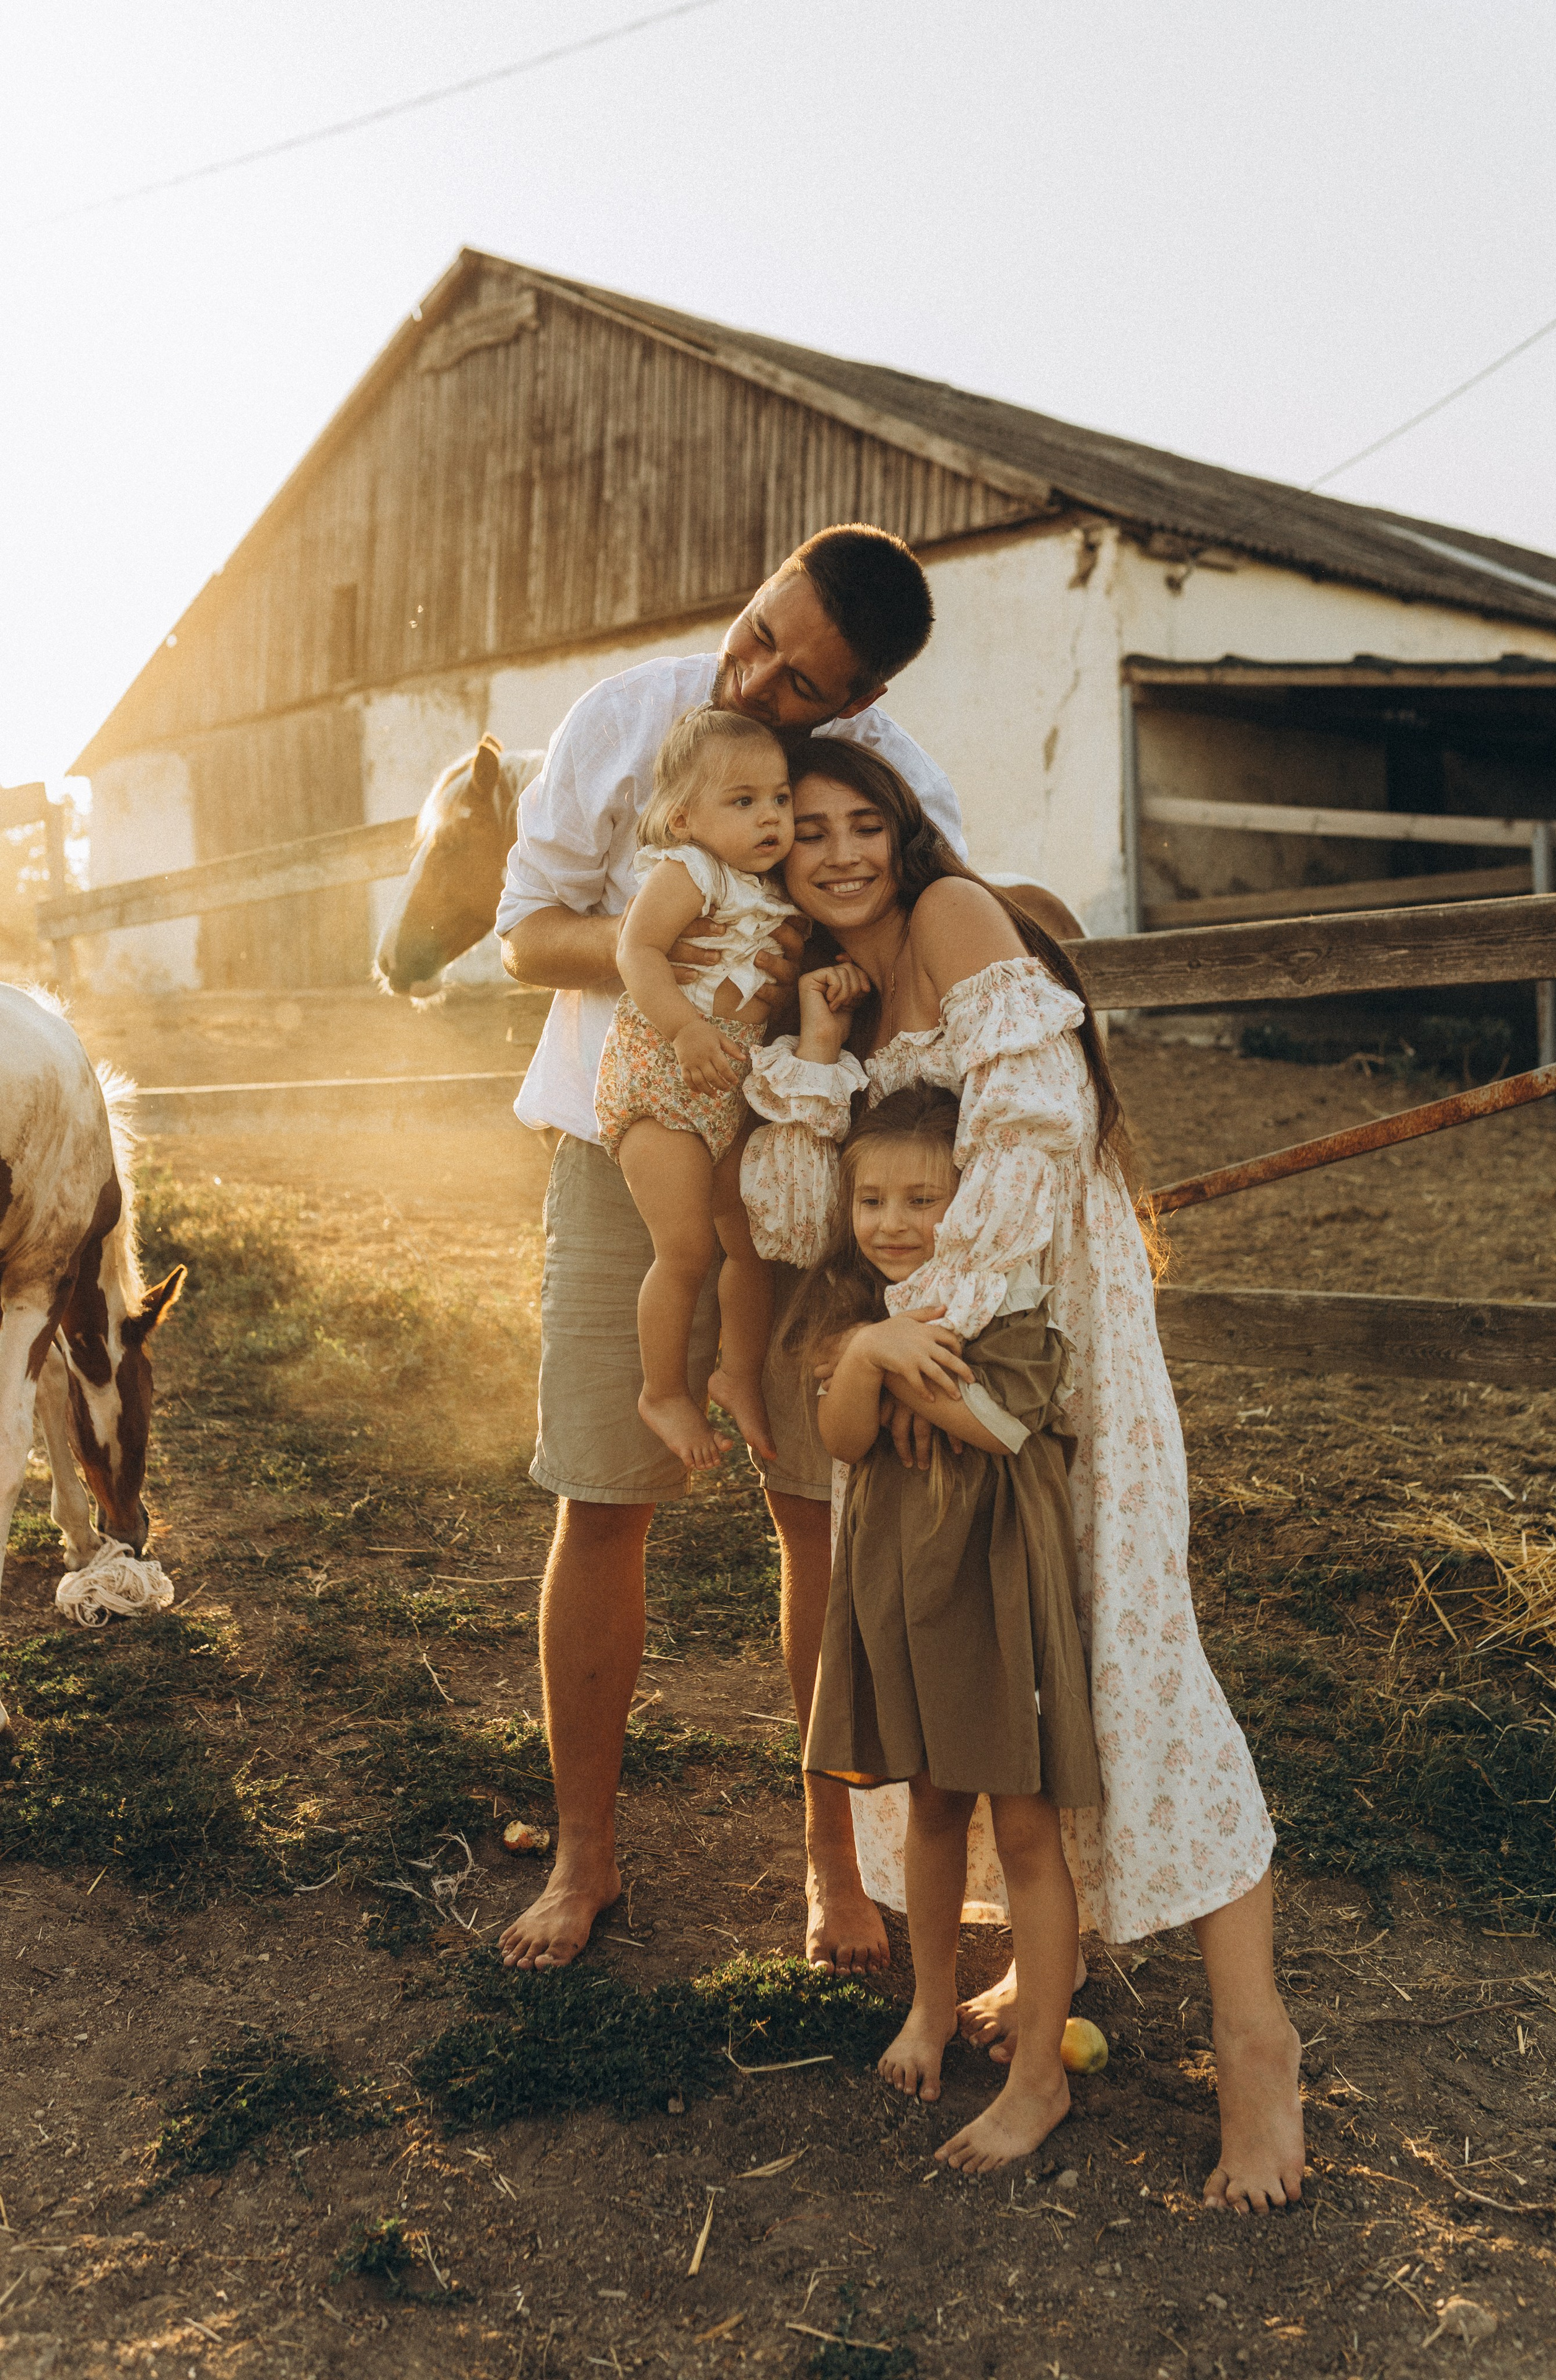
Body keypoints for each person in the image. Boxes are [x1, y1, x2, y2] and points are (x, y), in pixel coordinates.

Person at [739, 739, 1306, 2215]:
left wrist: (925, 1335)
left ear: (906, 827)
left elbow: (1038, 1124)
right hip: (919, 1349)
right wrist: (810, 1050)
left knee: (1125, 1652)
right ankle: (1026, 1964)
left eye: (867, 821)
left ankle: (1254, 2044)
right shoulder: (838, 991)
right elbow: (801, 1210)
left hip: (1041, 1334)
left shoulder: (948, 918)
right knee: (985, 1663)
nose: (844, 851)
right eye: (808, 831)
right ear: (774, 857)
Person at [494, 523, 965, 1976]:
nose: (752, 672)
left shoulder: (892, 791)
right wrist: (695, 963)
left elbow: (927, 958)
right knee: (603, 1488)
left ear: (855, 703)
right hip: (622, 1140)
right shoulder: (629, 718)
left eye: (798, 677)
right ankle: (585, 1848)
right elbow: (524, 933)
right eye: (758, 631)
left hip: (803, 1173)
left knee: (819, 1502)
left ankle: (831, 1856)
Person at [787, 1082, 1101, 2171]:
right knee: (929, 1808)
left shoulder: (1007, 1306)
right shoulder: (854, 1312)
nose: (894, 1222)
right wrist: (867, 1354)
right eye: (871, 1198)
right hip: (906, 1593)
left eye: (924, 1197)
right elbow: (837, 1436)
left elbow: (1001, 1425)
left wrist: (887, 1371)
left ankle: (1038, 2074)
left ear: (972, 1201)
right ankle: (930, 2003)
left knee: (1023, 1828)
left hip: (995, 1586)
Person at [594, 705, 799, 1472]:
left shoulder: (774, 886)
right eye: (742, 802)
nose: (770, 817)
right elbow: (637, 951)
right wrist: (683, 1028)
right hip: (663, 1076)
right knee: (683, 1250)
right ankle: (662, 1391)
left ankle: (734, 1372)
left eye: (779, 798)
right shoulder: (690, 872)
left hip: (730, 1080)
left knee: (746, 1246)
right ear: (684, 818)